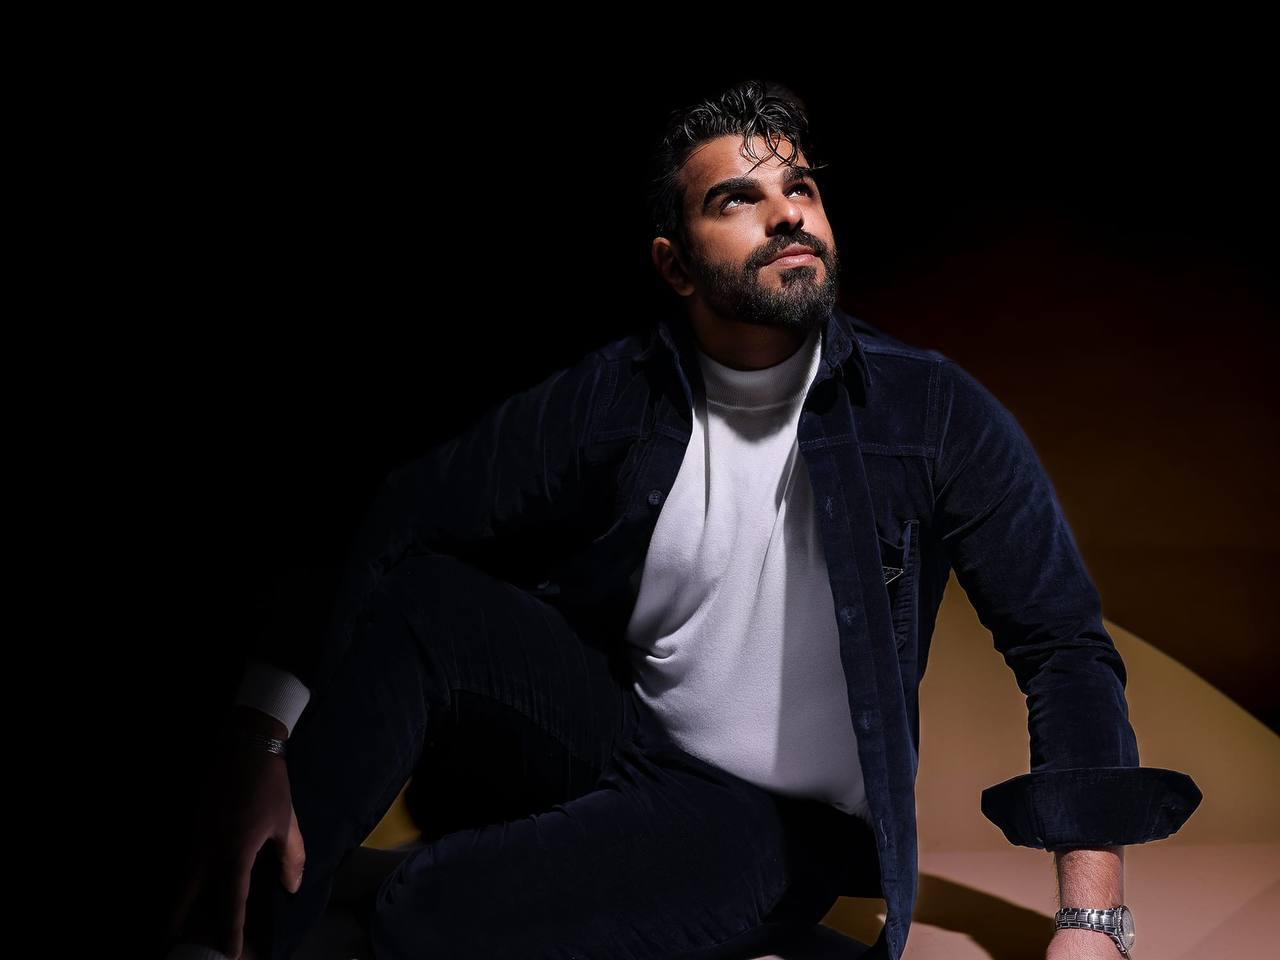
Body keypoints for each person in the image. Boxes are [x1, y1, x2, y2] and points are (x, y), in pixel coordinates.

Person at [164, 79, 1201, 960]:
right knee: (422, 601)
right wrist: (259, 741)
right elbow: (401, 511)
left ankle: (336, 902)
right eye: (738, 199)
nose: (786, 214)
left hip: (779, 827)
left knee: (421, 910)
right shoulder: (618, 393)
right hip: (625, 739)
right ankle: (234, 921)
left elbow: (1060, 643)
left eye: (800, 188)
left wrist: (1093, 919)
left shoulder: (928, 413)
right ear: (673, 262)